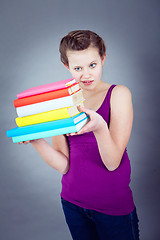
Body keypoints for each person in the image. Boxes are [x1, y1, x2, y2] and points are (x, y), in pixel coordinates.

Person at [18, 30, 140, 240]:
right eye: (77, 68)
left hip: (113, 208)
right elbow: (64, 165)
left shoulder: (118, 94)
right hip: (73, 204)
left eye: (92, 65)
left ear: (103, 59)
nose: (86, 75)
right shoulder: (64, 100)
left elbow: (112, 163)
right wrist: (37, 141)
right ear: (67, 66)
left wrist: (100, 127)